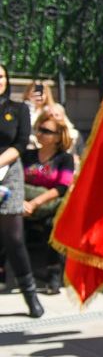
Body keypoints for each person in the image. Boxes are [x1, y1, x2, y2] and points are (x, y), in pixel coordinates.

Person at [0, 62, 41, 317]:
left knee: (14, 237)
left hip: (9, 174)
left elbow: (21, 142)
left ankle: (30, 294)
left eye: (1, 75)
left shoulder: (18, 109)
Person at [21, 109, 77, 292]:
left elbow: (61, 188)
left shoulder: (65, 159)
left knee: (53, 225)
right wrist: (23, 202)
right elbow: (17, 181)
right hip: (23, 204)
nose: (39, 133)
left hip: (51, 206)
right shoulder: (27, 155)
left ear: (58, 137)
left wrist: (35, 203)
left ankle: (53, 275)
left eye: (45, 131)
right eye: (39, 129)